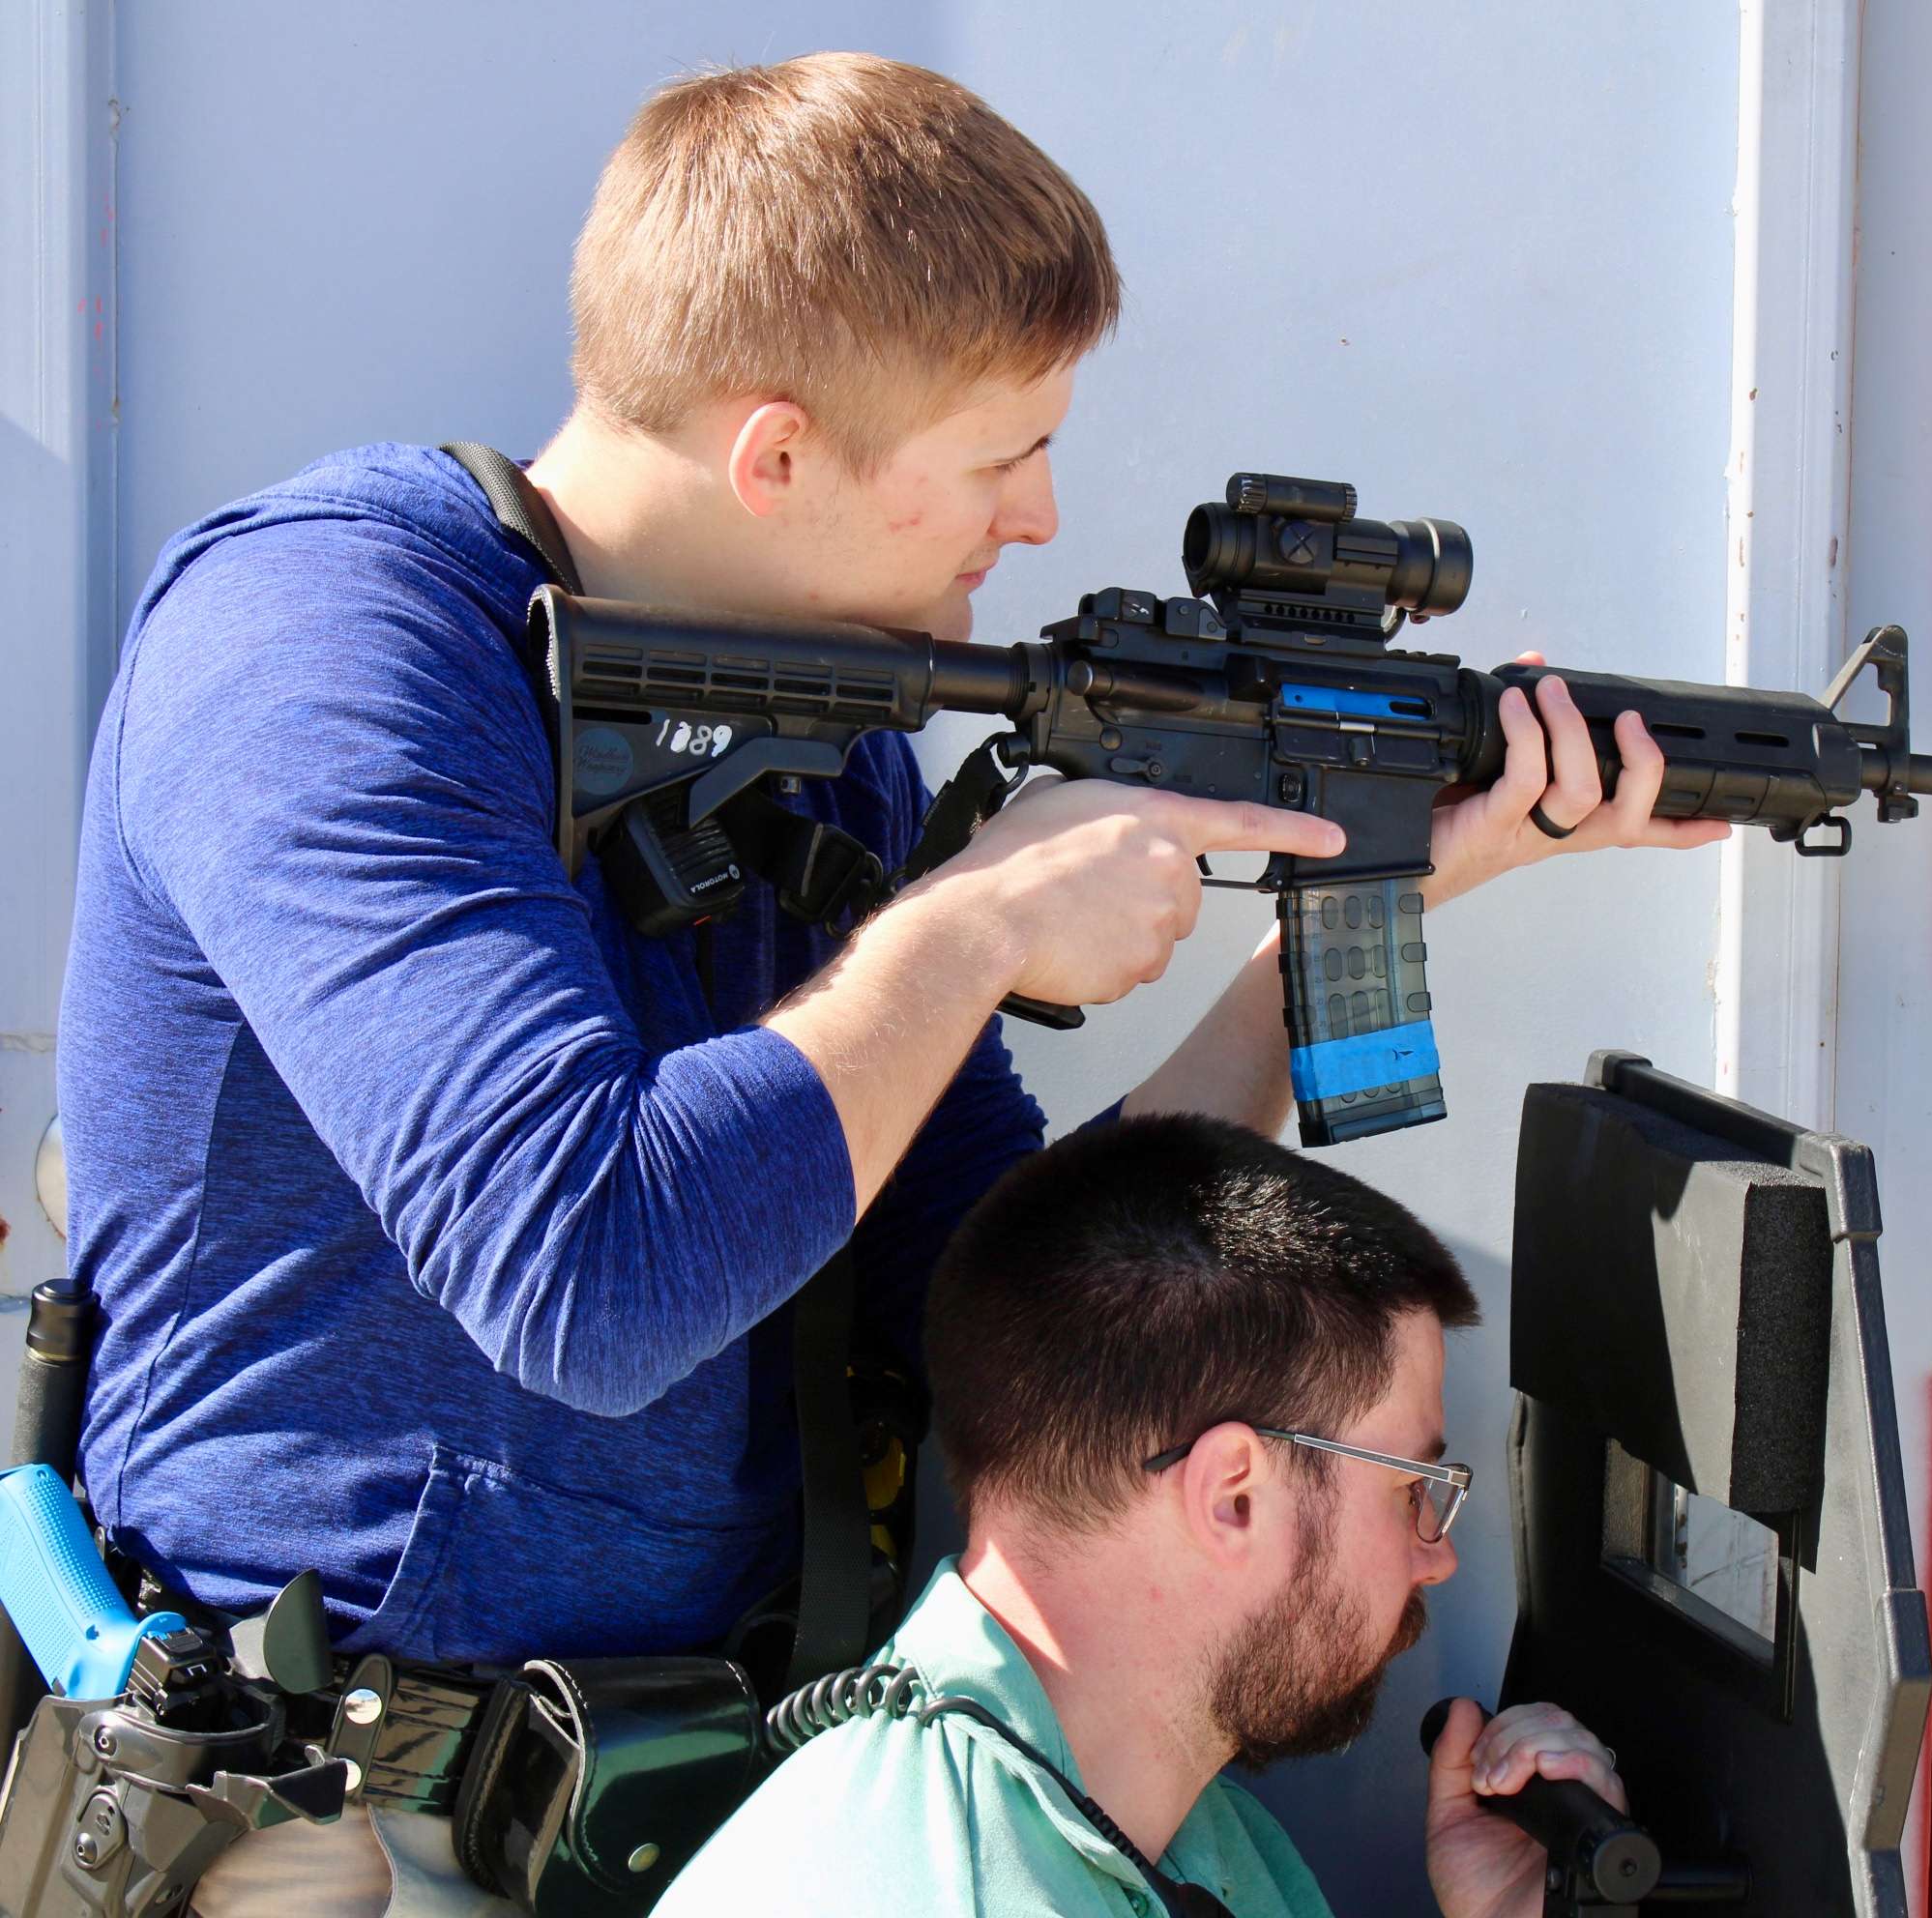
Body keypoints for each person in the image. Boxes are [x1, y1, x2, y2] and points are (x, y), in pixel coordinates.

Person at [53, 50, 1718, 1917]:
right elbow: (588, 1270)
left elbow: (1012, 1303)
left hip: (709, 1791)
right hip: (332, 1831)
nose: (1038, 520)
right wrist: (978, 926)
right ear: (776, 456)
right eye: (1000, 458)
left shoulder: (817, 728)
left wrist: (1349, 902)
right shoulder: (317, 652)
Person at [659, 1111, 1623, 1918]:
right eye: (1412, 1489)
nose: (1435, 1560)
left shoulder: (1191, 1832)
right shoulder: (933, 1888)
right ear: (1231, 1494)